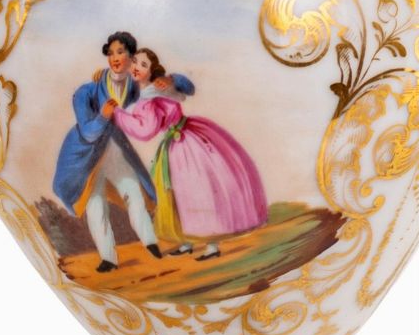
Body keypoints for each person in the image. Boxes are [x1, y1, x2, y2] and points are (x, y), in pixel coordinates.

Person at [51, 31, 194, 270]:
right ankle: (108, 258)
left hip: (115, 149)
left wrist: (170, 80)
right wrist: (103, 116)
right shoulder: (87, 91)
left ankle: (151, 243)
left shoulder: (135, 86)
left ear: (131, 57)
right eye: (111, 53)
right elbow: (88, 132)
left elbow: (187, 88)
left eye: (121, 53)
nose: (115, 58)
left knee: (134, 193)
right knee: (95, 204)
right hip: (85, 157)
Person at [113, 46, 268, 257]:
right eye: (135, 62)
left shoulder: (154, 91)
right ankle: (186, 241)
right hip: (176, 142)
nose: (136, 67)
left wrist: (118, 114)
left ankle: (211, 245)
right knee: (179, 195)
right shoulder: (142, 94)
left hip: (186, 143)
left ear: (152, 70)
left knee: (198, 191)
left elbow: (146, 129)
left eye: (143, 64)